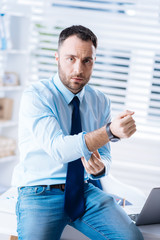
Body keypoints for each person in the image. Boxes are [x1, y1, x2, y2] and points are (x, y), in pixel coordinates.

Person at [12, 25, 144, 240]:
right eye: (70, 58)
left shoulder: (100, 100)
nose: (78, 69)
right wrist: (110, 131)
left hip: (83, 191)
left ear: (94, 62)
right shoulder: (36, 96)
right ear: (57, 58)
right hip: (39, 193)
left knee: (131, 238)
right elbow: (59, 149)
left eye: (86, 60)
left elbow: (106, 154)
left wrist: (100, 169)